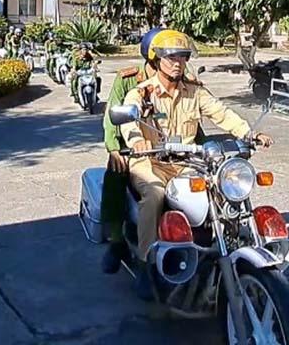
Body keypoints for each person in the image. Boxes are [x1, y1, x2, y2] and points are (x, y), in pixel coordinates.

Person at [118, 29, 273, 299]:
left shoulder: (194, 92)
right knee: (154, 195)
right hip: (149, 161)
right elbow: (130, 122)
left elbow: (221, 112)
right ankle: (145, 263)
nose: (178, 62)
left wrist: (248, 133)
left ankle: (220, 244)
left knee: (217, 189)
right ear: (156, 59)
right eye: (171, 57)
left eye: (182, 56)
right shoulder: (141, 94)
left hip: (187, 162)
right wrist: (136, 142)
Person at [99, 26, 167, 274]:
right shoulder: (128, 78)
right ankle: (116, 241)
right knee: (116, 170)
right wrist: (115, 148)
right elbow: (111, 114)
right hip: (135, 146)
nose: (174, 62)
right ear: (152, 58)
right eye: (166, 57)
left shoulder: (179, 76)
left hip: (169, 146)